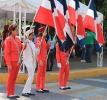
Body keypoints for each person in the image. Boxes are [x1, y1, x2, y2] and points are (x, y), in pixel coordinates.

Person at [4, 24, 27, 98]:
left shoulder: (17, 39)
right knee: (10, 77)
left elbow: (21, 48)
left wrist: (24, 44)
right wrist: (8, 64)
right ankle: (9, 93)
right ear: (12, 31)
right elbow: (6, 53)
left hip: (18, 61)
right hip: (12, 61)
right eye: (16, 30)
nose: (18, 31)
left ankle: (13, 92)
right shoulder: (8, 40)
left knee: (14, 77)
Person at [35, 26, 53, 93]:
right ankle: (38, 87)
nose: (46, 32)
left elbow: (44, 48)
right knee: (39, 73)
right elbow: (38, 50)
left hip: (45, 58)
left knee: (43, 73)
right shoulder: (38, 39)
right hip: (41, 58)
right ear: (42, 32)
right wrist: (39, 60)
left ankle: (42, 86)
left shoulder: (44, 39)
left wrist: (49, 44)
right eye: (45, 31)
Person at [22, 29, 39, 97]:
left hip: (33, 62)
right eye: (31, 35)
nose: (33, 36)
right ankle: (24, 91)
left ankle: (28, 91)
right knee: (30, 76)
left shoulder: (32, 43)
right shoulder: (25, 43)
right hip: (28, 62)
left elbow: (36, 53)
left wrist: (39, 47)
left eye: (33, 35)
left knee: (31, 77)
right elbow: (23, 51)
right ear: (28, 36)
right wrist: (24, 44)